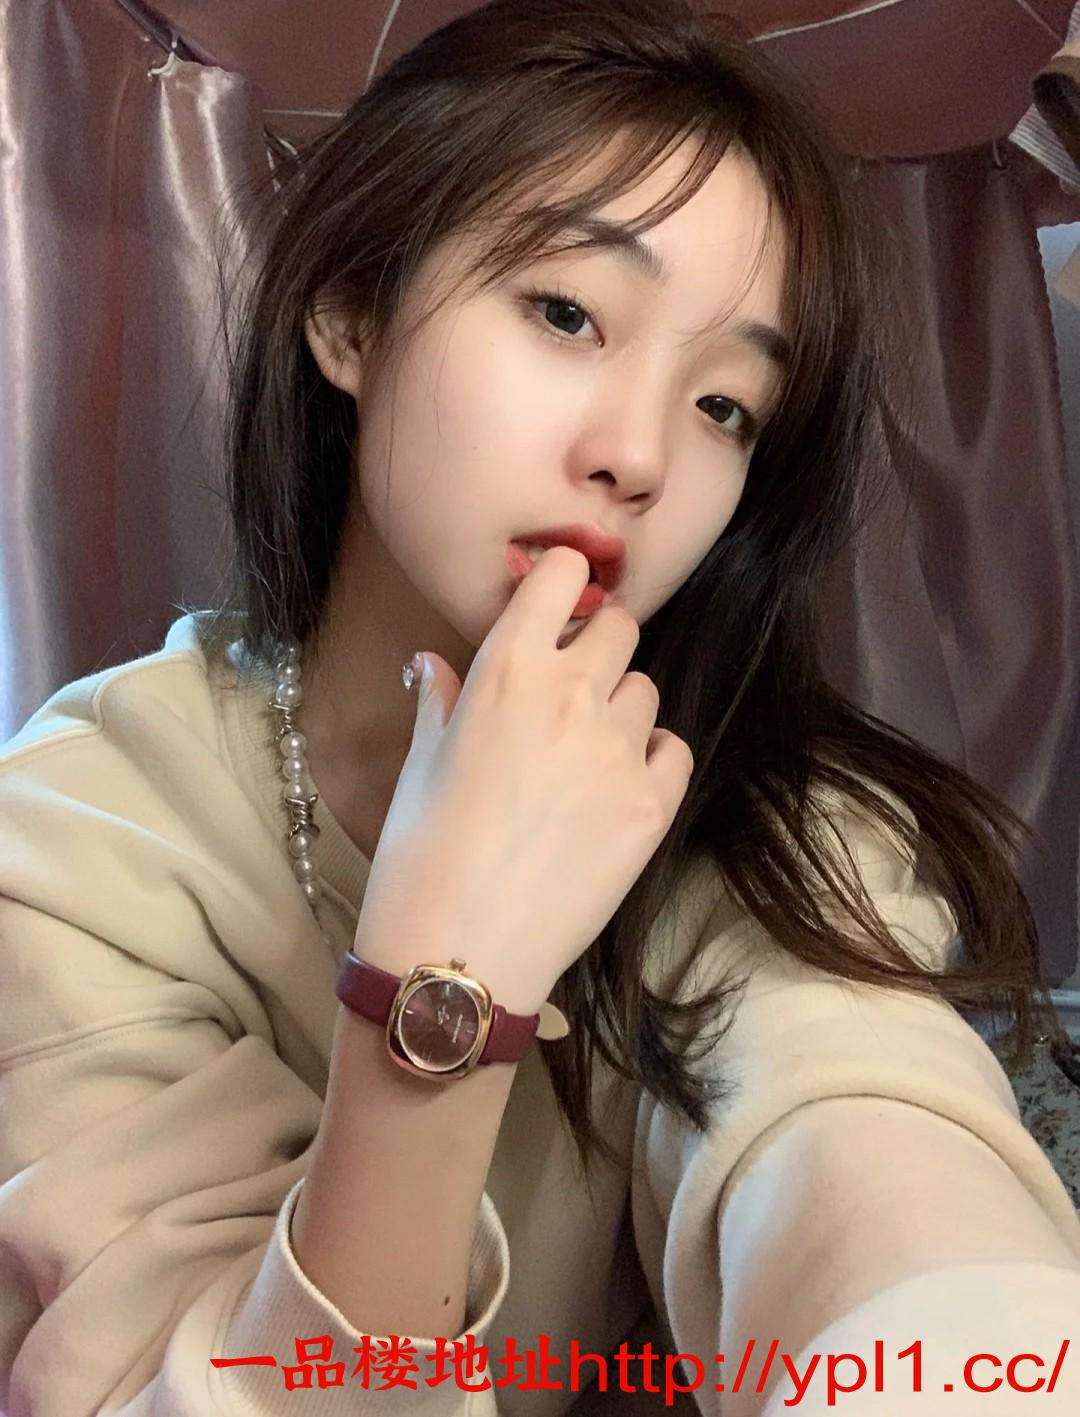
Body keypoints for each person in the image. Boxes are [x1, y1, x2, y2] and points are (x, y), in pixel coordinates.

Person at [2, 0, 1079, 1412]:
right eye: (567, 313)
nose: (640, 456)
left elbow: (874, 1159)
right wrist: (440, 992)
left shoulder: (774, 831)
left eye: (726, 406)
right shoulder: (76, 843)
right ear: (350, 312)